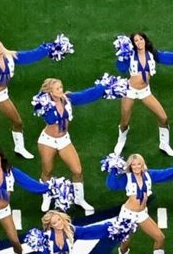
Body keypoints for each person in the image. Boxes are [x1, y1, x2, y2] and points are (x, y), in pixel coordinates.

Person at [0, 35, 68, 158]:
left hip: (2, 94)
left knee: (17, 122)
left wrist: (49, 48)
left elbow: (30, 55)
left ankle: (19, 148)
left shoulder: (11, 56)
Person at [32, 76, 123, 214]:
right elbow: (50, 119)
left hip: (64, 140)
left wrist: (102, 87)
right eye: (57, 88)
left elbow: (86, 95)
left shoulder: (67, 99)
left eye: (61, 87)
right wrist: (48, 102)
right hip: (48, 141)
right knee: (47, 171)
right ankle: (47, 194)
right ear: (50, 92)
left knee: (77, 170)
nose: (61, 90)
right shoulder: (45, 105)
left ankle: (79, 199)